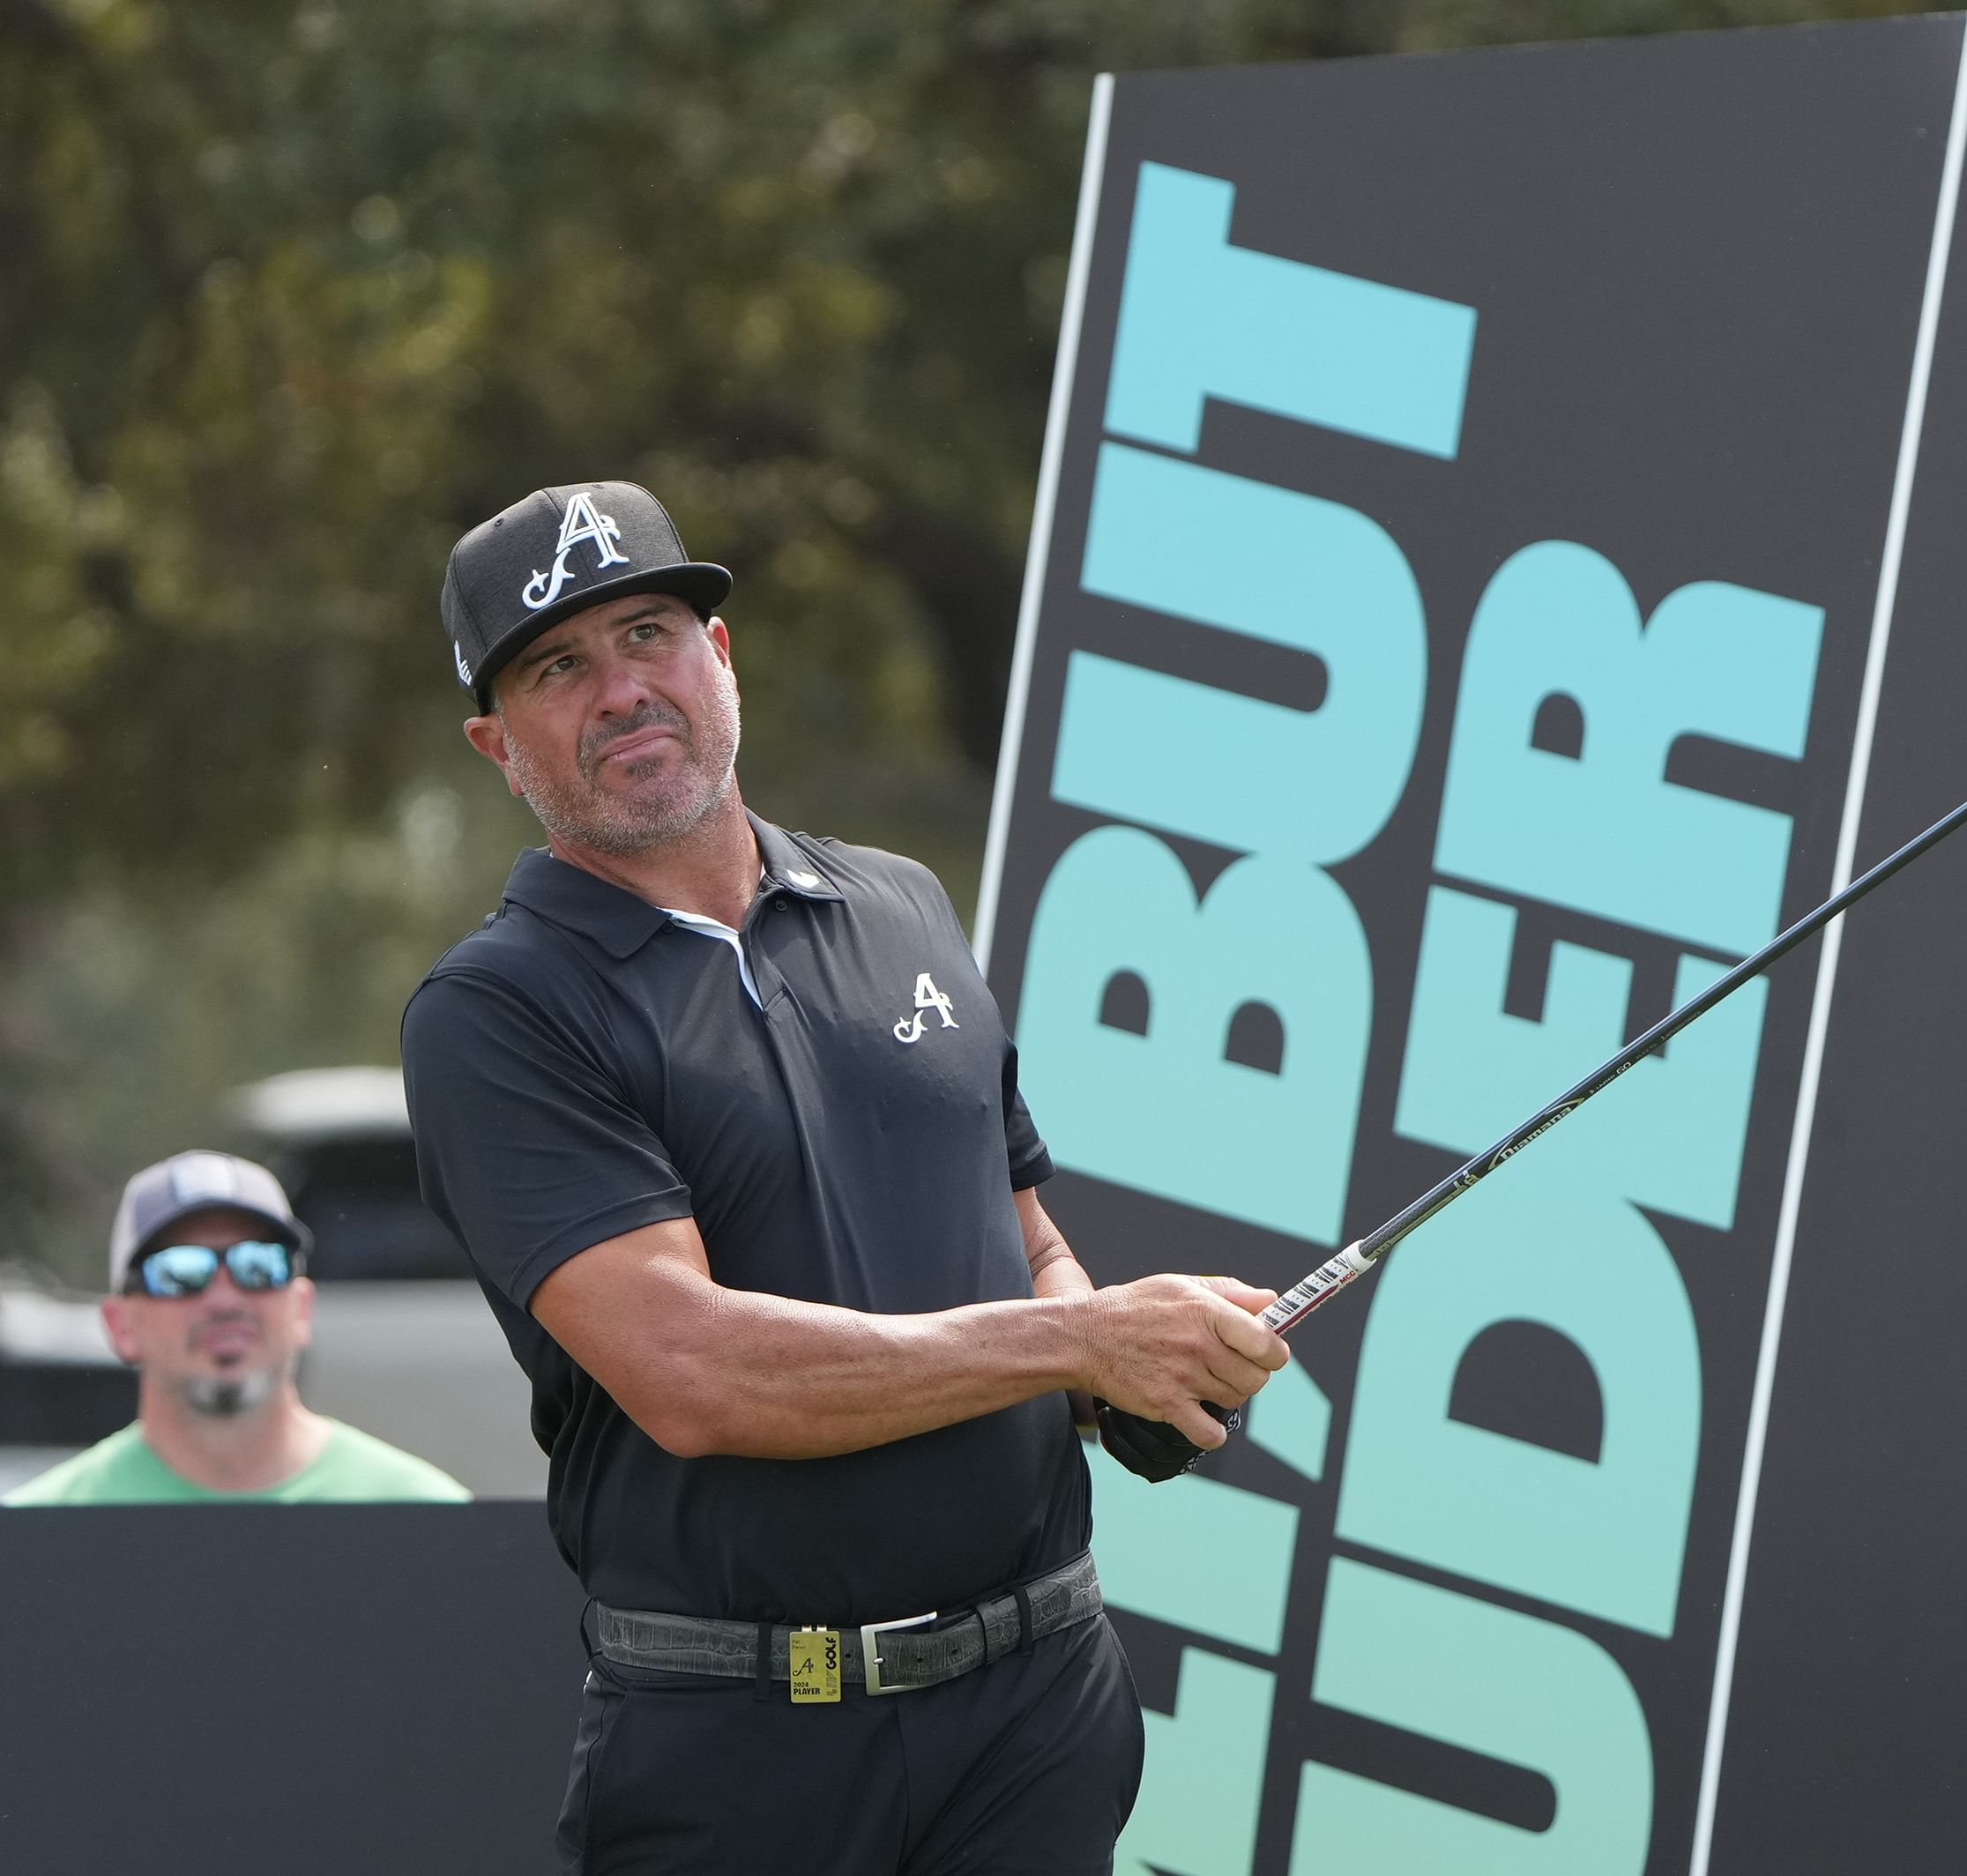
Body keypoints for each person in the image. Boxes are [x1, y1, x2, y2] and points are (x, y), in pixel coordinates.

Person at [398, 481, 1284, 1874]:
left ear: (722, 658)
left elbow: (1022, 1236)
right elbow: (694, 1375)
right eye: (559, 668)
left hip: (1037, 1706)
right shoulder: (498, 1010)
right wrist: (1074, 1340)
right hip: (746, 1740)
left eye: (648, 634)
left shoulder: (900, 905)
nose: (622, 689)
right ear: (497, 743)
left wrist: (1115, 1373)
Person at [4, 1150, 469, 1506]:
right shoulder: (41, 1536)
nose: (225, 1299)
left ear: (302, 1306)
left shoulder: (419, 1513)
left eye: (259, 1265)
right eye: (180, 1272)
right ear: (120, 1325)